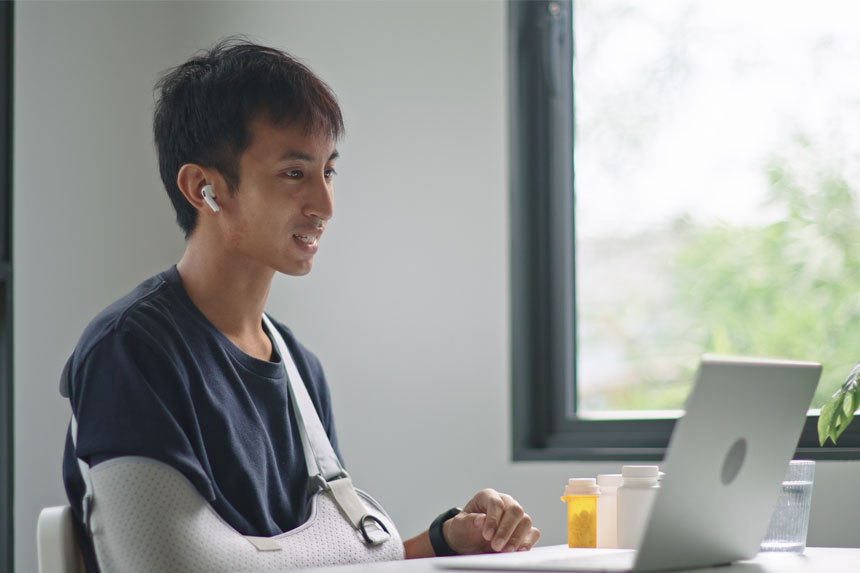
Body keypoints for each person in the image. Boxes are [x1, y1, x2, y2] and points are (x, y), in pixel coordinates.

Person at [61, 39, 540, 572]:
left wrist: (446, 542)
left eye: (328, 172)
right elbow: (168, 566)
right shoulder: (131, 351)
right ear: (204, 188)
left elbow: (324, 562)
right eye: (294, 173)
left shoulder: (297, 367)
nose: (325, 205)